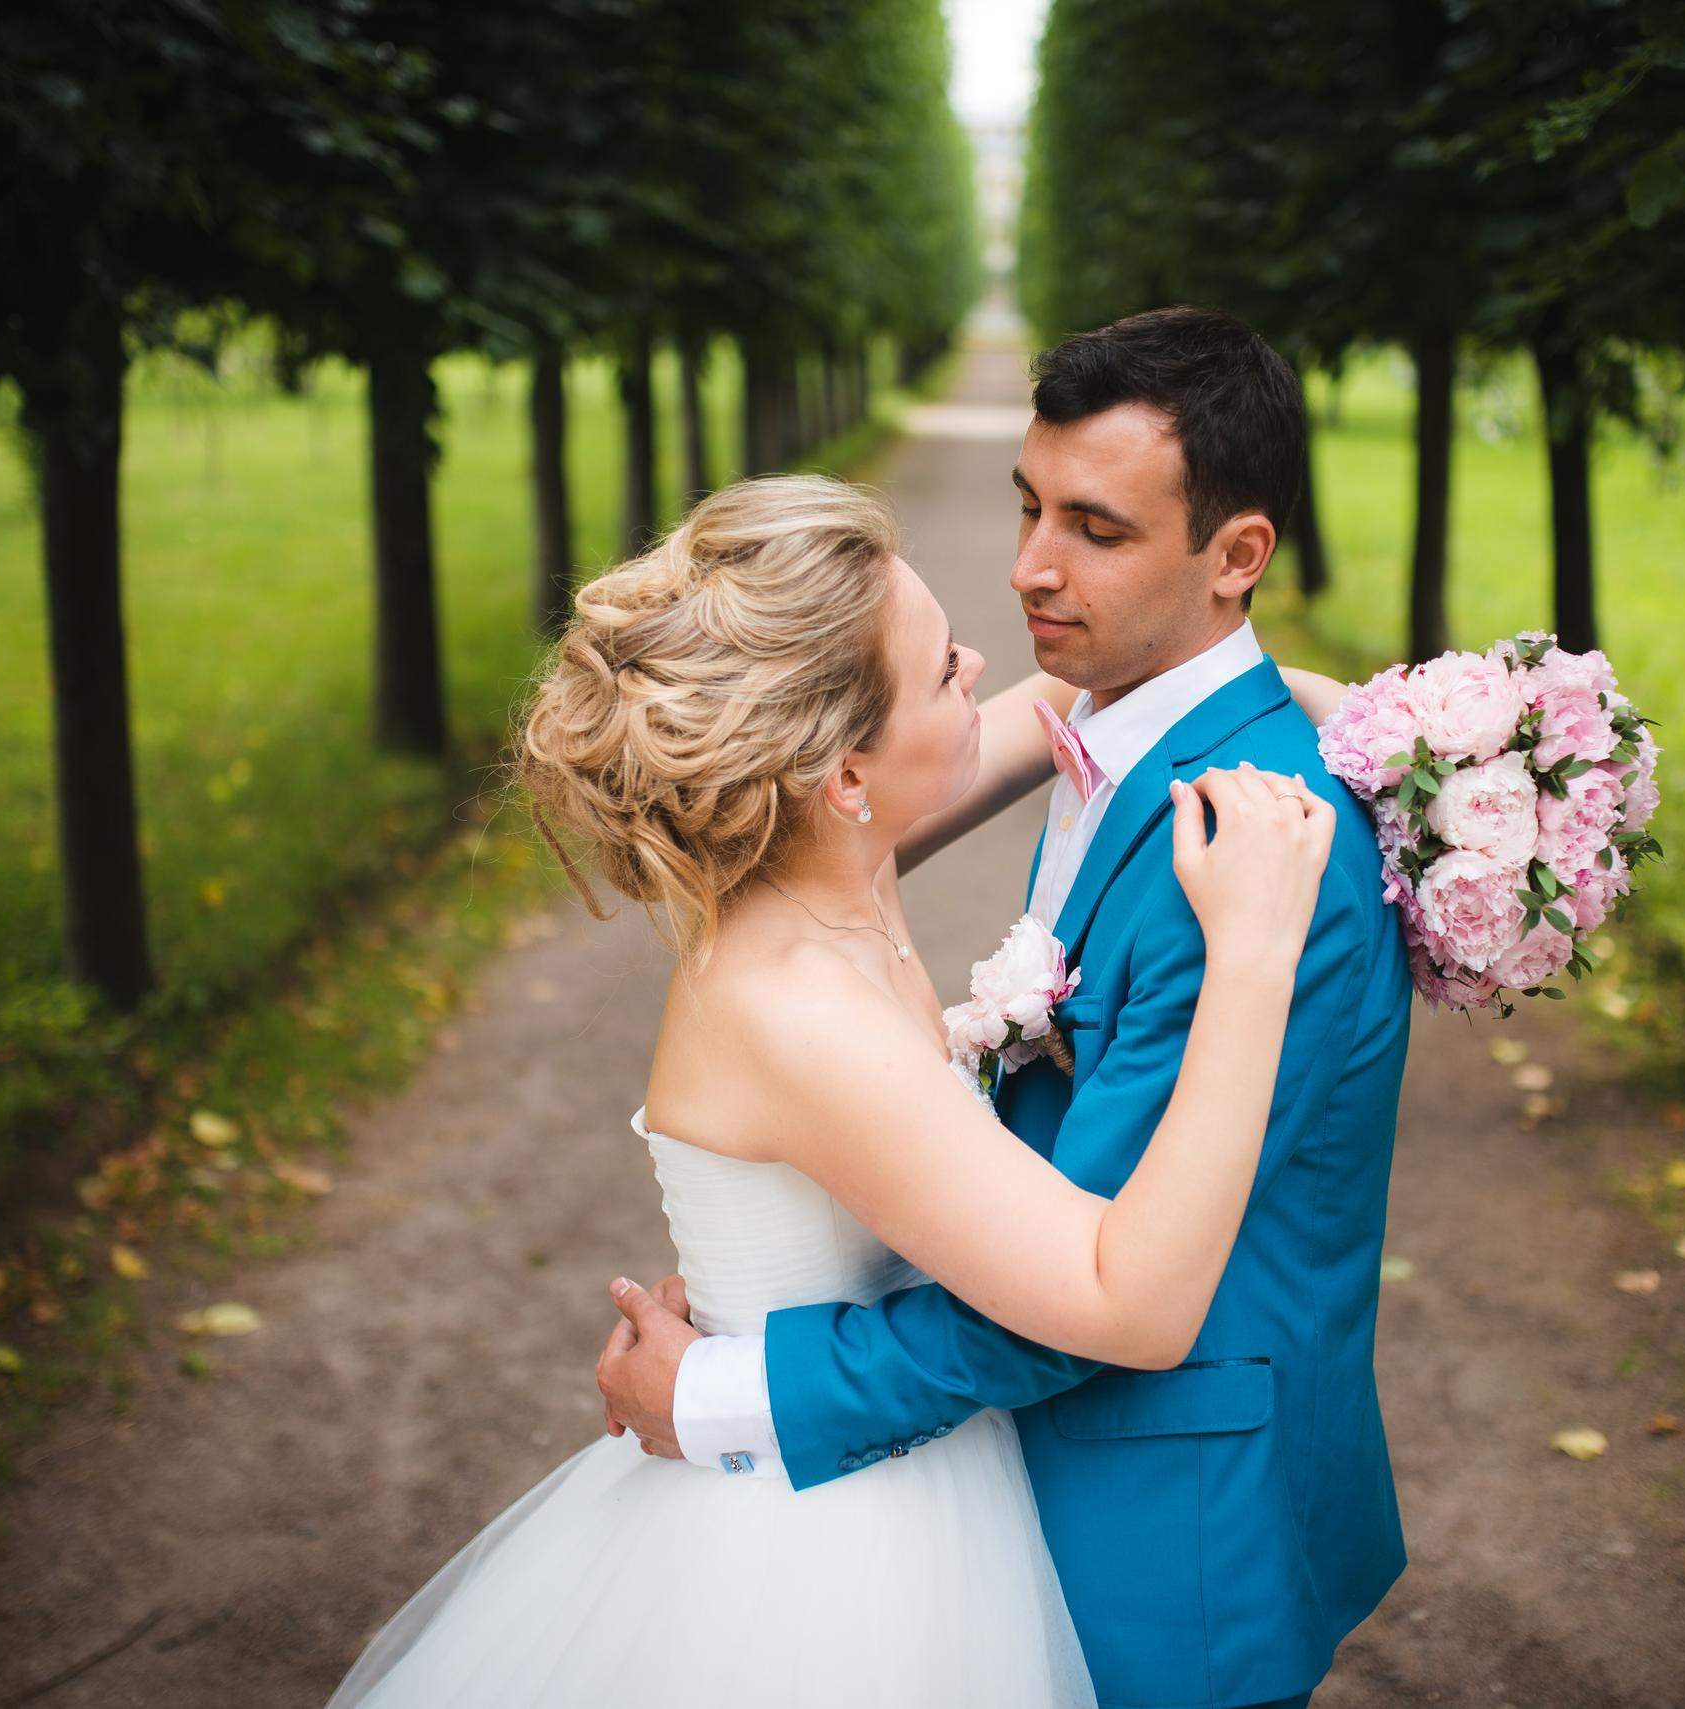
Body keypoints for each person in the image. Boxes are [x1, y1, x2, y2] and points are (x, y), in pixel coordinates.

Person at [324, 460, 1343, 1707]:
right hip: (833, 1552)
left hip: (881, 1459)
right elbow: (1119, 1300)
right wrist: (1250, 952)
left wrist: (1274, 696)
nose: (978, 662)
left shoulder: (817, 855)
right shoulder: (794, 1005)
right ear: (846, 773)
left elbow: (1054, 707)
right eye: (938, 667)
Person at [597, 307, 1416, 1709]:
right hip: (1003, 1509)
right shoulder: (1112, 728)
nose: (1029, 574)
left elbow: (1097, 1297)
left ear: (1239, 558)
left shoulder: (1257, 855)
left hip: (1169, 1537)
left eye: (1096, 528)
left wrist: (730, 1400)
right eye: (1029, 507)